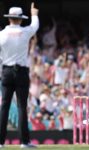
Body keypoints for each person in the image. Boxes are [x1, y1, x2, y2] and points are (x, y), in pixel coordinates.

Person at [0, 3, 39, 148]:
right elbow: (35, 26)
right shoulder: (25, 32)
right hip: (21, 71)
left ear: (10, 19)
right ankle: (24, 142)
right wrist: (34, 13)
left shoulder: (1, 34)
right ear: (21, 19)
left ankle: (0, 142)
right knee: (22, 106)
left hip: (6, 71)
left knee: (4, 107)